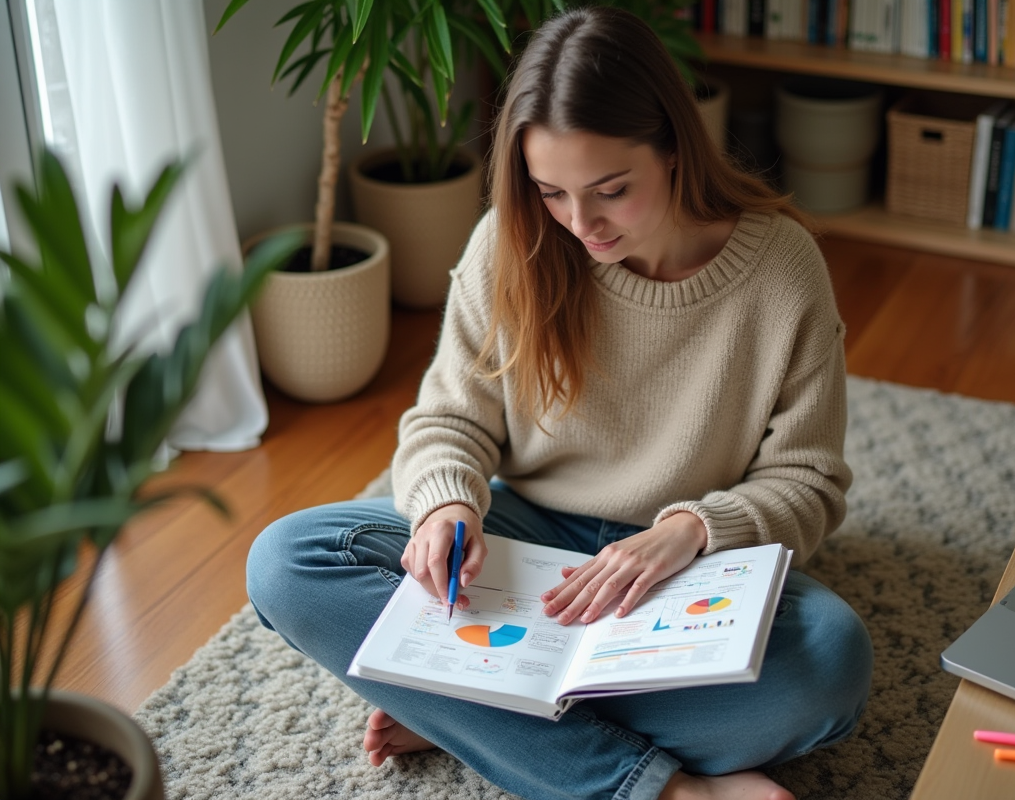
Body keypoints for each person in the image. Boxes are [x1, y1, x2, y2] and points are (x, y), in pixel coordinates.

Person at [246, 7, 873, 800]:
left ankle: (466, 708)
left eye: (612, 190)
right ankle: (658, 788)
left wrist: (687, 530)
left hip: (686, 566)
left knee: (830, 665)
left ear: (675, 149)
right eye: (552, 193)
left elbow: (809, 481)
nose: (582, 224)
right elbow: (450, 420)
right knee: (288, 560)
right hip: (528, 539)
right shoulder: (510, 242)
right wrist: (446, 507)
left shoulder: (783, 269)